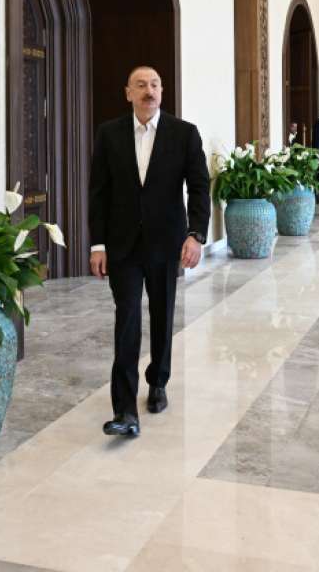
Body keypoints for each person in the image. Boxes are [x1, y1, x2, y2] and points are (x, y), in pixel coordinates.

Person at [89, 66, 210, 438]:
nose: (149, 91)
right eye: (141, 85)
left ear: (162, 91)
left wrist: (196, 235)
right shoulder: (109, 134)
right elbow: (98, 193)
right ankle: (125, 410)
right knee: (126, 319)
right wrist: (98, 244)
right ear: (128, 93)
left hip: (165, 241)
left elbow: (199, 187)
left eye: (155, 85)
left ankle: (158, 380)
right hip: (123, 244)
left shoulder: (184, 133)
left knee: (162, 313)